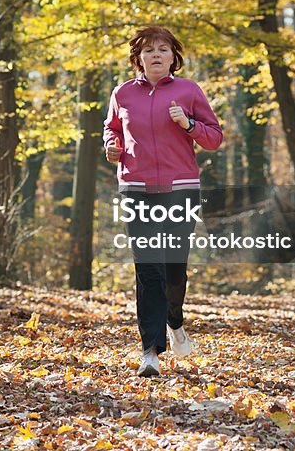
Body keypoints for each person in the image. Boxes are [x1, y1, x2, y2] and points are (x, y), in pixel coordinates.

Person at [103, 25, 223, 377]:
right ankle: (150, 352)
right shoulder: (122, 93)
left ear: (174, 57)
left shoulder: (188, 91)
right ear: (138, 58)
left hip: (180, 187)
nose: (156, 55)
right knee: (148, 267)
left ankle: (175, 319)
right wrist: (112, 147)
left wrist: (188, 125)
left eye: (163, 50)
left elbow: (214, 137)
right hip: (136, 187)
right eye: (149, 50)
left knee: (173, 268)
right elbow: (112, 129)